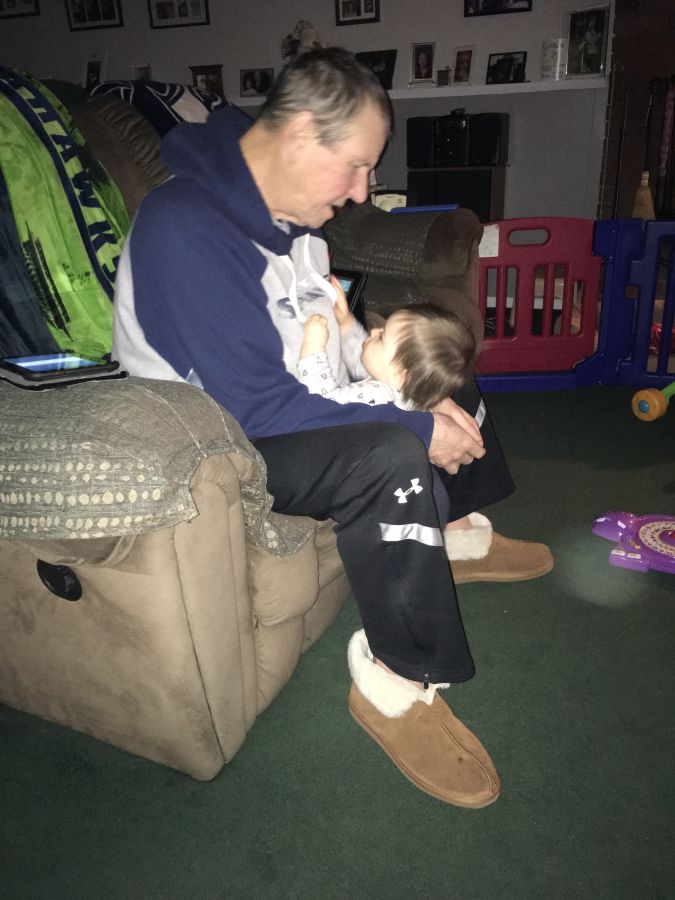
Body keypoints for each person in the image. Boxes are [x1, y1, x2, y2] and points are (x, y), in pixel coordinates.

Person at [112, 47, 553, 808]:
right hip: (221, 440)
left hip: (298, 402)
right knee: (389, 452)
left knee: (434, 352)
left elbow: (344, 340)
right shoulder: (185, 229)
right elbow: (255, 410)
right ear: (297, 136)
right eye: (355, 168)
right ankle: (397, 677)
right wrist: (412, 425)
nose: (361, 193)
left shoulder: (299, 231)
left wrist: (410, 379)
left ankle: (453, 528)